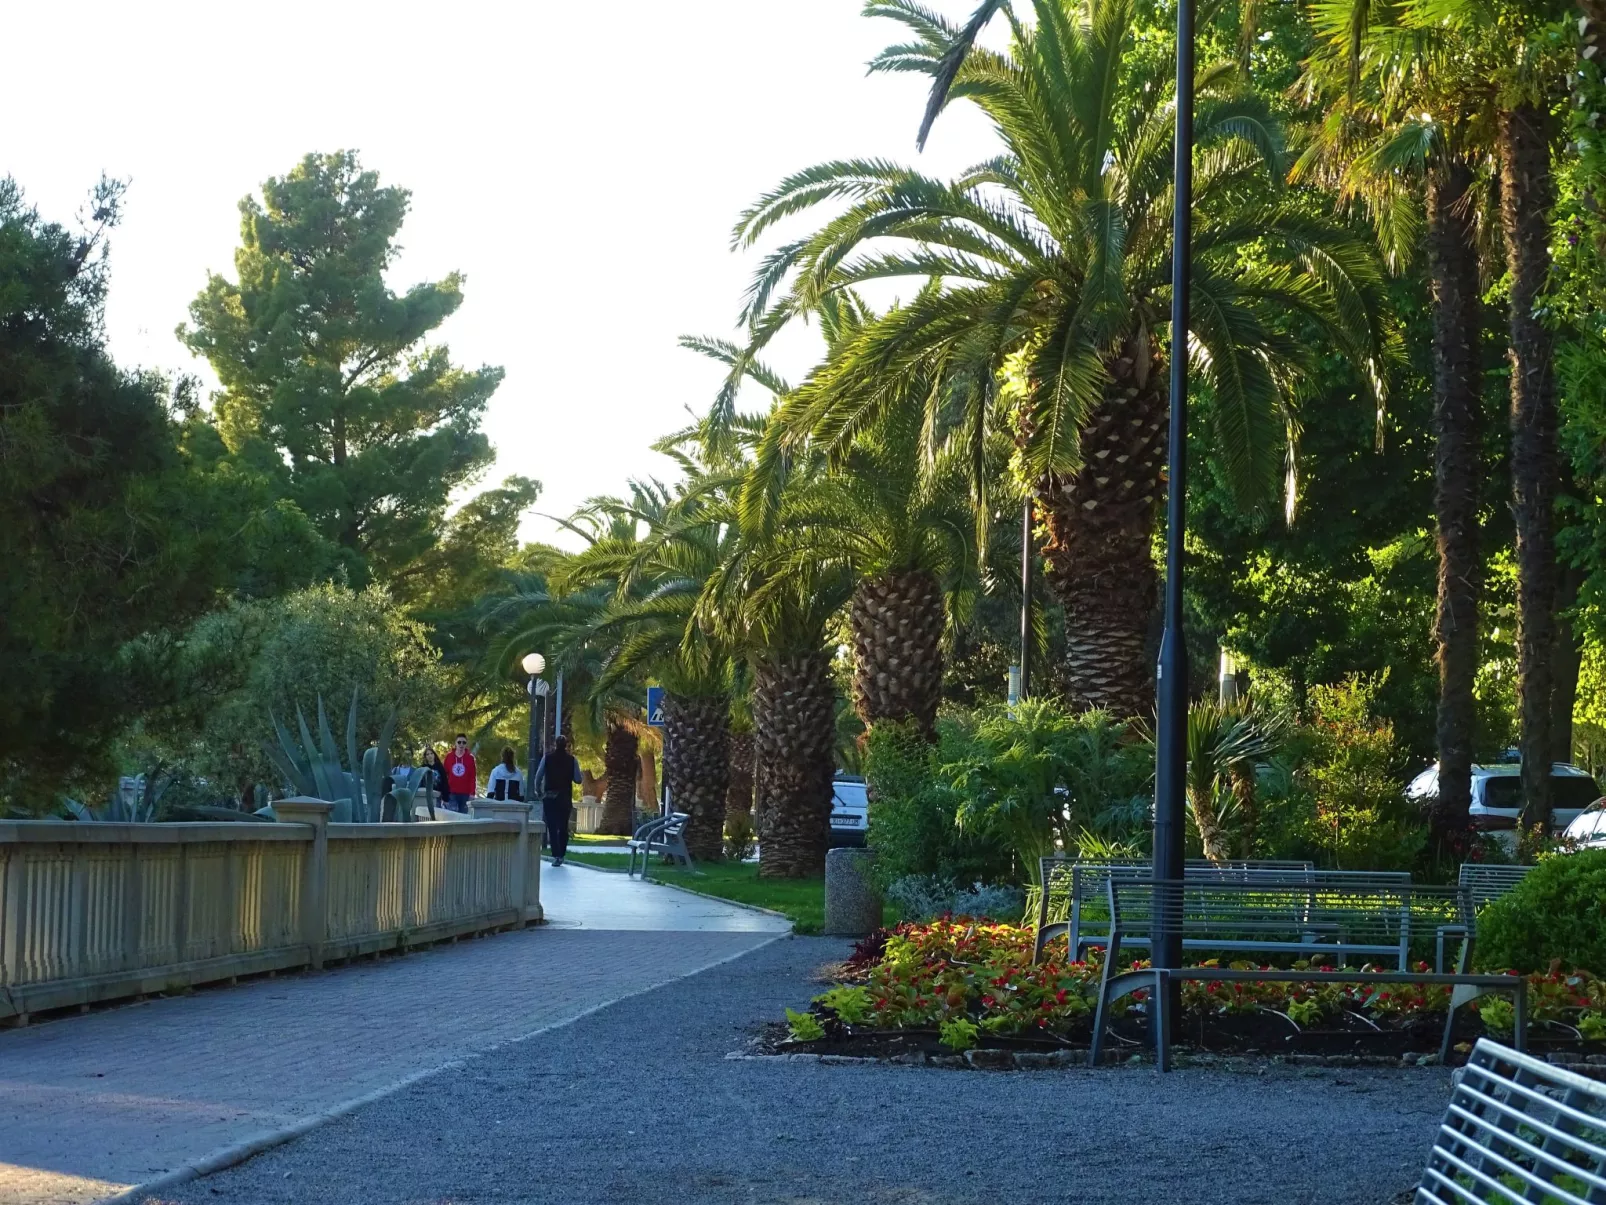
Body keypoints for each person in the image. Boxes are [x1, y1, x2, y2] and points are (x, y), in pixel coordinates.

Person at [533, 736, 582, 865]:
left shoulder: (547, 758)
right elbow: (578, 779)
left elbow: (538, 776)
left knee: (552, 826)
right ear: (566, 745)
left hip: (550, 797)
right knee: (563, 826)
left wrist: (538, 791)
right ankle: (562, 854)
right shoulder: (572, 760)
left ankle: (556, 855)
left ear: (555, 744)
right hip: (565, 797)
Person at [443, 734, 477, 812]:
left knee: (463, 817)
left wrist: (472, 793)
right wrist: (444, 793)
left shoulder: (470, 758)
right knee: (452, 816)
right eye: (459, 742)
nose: (461, 744)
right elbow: (444, 776)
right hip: (451, 793)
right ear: (455, 743)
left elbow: (473, 777)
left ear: (466, 744)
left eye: (464, 742)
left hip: (466, 794)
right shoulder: (449, 757)